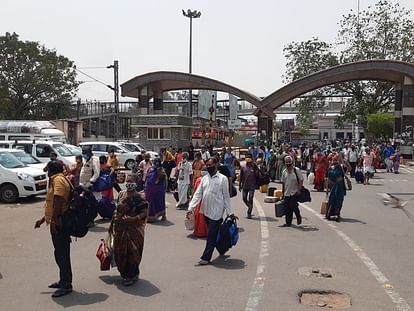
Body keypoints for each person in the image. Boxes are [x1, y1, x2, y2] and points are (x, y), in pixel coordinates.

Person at [34, 160, 73, 297]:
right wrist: (44, 219)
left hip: (60, 224)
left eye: (48, 169)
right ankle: (63, 281)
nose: (47, 172)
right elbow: (52, 204)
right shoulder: (58, 179)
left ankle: (66, 285)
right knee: (59, 254)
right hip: (56, 221)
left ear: (52, 170)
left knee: (62, 254)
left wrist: (55, 221)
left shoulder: (58, 180)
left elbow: (58, 200)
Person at [187, 157, 235, 265]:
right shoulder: (204, 179)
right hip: (206, 211)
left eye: (210, 165)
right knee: (213, 233)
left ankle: (206, 257)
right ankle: (222, 249)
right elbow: (198, 194)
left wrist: (230, 213)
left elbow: (226, 197)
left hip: (217, 212)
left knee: (211, 235)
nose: (208, 167)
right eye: (207, 165)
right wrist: (191, 208)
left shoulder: (222, 179)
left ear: (216, 165)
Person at [110, 175, 148, 286]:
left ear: (136, 183)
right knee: (119, 251)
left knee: (133, 252)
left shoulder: (140, 197)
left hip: (134, 230)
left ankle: (132, 275)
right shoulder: (122, 194)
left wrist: (133, 218)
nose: (128, 183)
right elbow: (117, 209)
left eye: (131, 181)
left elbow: (144, 212)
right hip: (120, 228)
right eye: (127, 181)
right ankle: (124, 273)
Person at [281, 156, 303, 227]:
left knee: (293, 206)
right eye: (287, 165)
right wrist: (282, 193)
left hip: (294, 192)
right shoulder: (284, 172)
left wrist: (299, 189)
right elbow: (283, 183)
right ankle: (288, 222)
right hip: (287, 192)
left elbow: (301, 180)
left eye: (289, 164)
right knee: (287, 209)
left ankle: (298, 216)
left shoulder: (296, 170)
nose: (288, 166)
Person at [326, 156, 346, 221]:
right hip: (333, 187)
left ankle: (337, 214)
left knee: (339, 200)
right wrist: (327, 189)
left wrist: (344, 162)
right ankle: (329, 214)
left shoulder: (341, 167)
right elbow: (328, 179)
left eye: (336, 160)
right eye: (333, 159)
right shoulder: (330, 168)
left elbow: (348, 169)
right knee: (331, 200)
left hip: (340, 187)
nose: (334, 161)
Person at [239, 154, 259, 219]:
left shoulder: (254, 166)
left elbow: (257, 175)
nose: (248, 158)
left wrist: (255, 171)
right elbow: (241, 176)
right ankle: (250, 206)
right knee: (244, 198)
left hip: (252, 185)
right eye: (246, 157)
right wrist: (240, 185)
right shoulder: (243, 167)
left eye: (249, 157)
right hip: (245, 185)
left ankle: (249, 212)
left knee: (250, 197)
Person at [191, 168, 208, 237]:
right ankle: (204, 231)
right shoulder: (207, 180)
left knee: (199, 216)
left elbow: (194, 190)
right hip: (204, 200)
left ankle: (199, 231)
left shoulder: (198, 180)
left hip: (199, 201)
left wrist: (192, 199)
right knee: (203, 216)